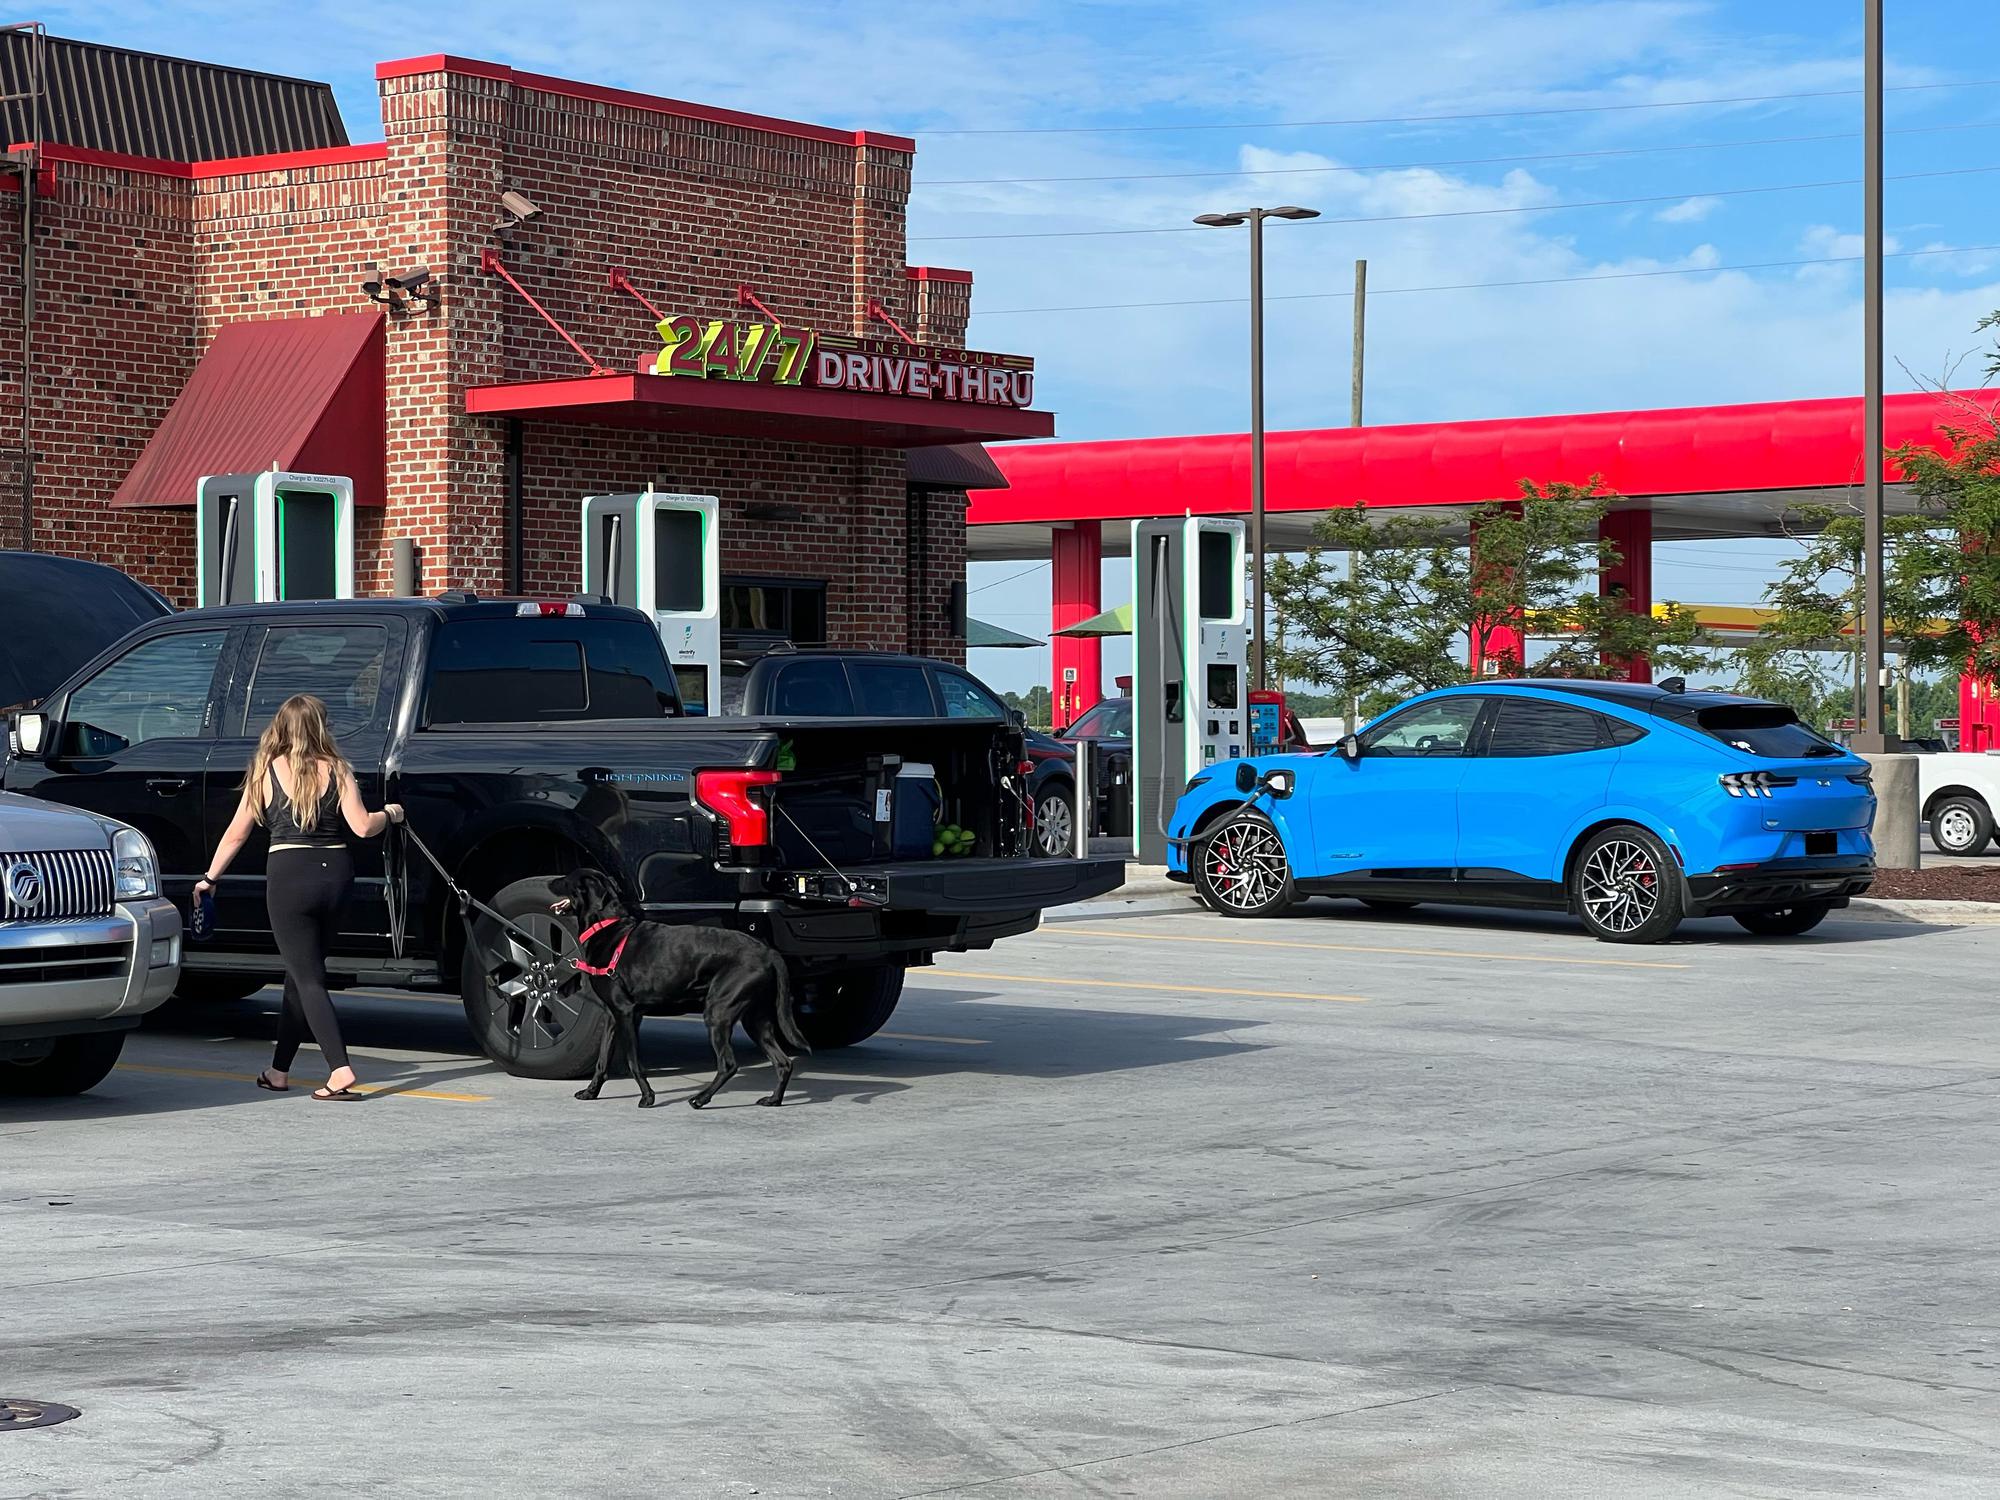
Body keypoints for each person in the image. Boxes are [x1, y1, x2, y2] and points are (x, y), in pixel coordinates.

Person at [195, 694, 403, 1101]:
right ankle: (278, 1070)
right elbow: (362, 827)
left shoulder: (264, 772)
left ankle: (339, 1068)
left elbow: (237, 832)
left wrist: (209, 878)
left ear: (281, 727)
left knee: (307, 977)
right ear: (320, 727)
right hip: (337, 876)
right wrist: (392, 814)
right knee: (300, 974)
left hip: (290, 878)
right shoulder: (339, 769)